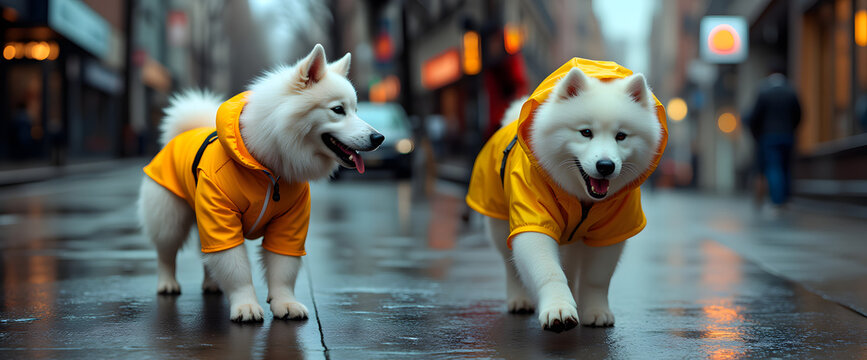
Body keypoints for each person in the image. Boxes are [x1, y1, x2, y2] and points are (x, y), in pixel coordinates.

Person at [747, 66, 802, 208]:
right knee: (786, 167)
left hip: (769, 136)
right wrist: (791, 129)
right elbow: (799, 114)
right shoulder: (791, 90)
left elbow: (755, 116)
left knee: (774, 167)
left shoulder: (763, 90)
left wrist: (757, 134)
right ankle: (786, 198)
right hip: (788, 135)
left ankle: (777, 200)